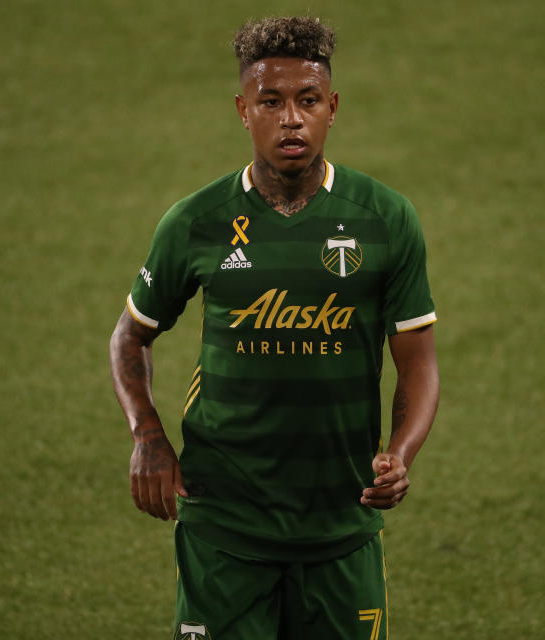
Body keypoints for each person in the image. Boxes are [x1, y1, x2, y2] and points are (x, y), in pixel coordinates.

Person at [109, 16, 439, 640]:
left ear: (332, 108)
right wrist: (147, 433)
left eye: (307, 101)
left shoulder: (385, 219)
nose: (291, 119)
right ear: (243, 109)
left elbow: (418, 361)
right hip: (224, 528)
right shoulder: (197, 222)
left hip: (341, 524)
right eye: (271, 101)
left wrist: (400, 452)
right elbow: (130, 336)